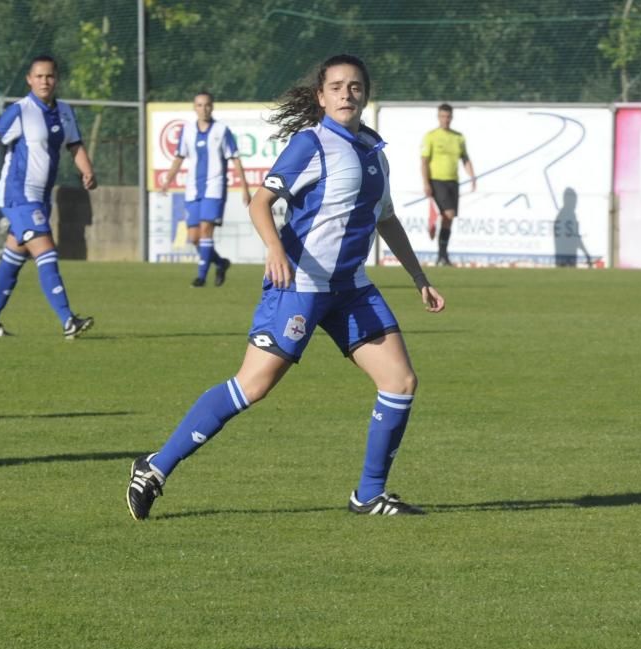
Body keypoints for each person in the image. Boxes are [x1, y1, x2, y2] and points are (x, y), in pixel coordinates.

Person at [127, 54, 446, 520]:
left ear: (366, 94)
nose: (346, 94)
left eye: (354, 87)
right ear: (321, 97)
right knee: (252, 386)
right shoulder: (310, 144)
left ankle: (368, 494)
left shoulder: (373, 151)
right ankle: (154, 467)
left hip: (351, 288)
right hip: (299, 285)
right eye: (336, 87)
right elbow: (261, 203)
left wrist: (419, 278)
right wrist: (274, 250)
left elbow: (387, 218)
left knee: (400, 382)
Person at [0, 55, 97, 339]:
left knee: (13, 258)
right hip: (17, 194)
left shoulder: (65, 111)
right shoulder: (20, 111)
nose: (45, 81)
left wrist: (88, 172)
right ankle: (68, 320)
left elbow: (75, 146)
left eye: (50, 76)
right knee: (46, 250)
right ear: (29, 79)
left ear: (57, 79)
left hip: (41, 198)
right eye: (39, 76)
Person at [160, 91, 251, 287]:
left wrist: (245, 188)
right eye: (199, 105)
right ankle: (220, 263)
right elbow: (179, 157)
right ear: (194, 108)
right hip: (193, 189)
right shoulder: (187, 130)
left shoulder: (221, 130)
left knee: (205, 231)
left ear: (212, 107)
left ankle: (201, 277)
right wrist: (168, 180)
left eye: (207, 105)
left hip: (214, 188)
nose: (204, 109)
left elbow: (235, 159)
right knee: (193, 238)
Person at [421, 103, 476, 266]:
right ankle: (441, 252)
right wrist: (426, 183)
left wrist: (472, 177)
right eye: (442, 116)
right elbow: (424, 161)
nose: (445, 119)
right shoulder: (431, 136)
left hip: (453, 181)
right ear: (438, 117)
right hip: (437, 180)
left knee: (448, 219)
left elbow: (465, 158)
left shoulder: (458, 137)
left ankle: (442, 256)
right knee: (448, 214)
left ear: (451, 117)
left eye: (448, 116)